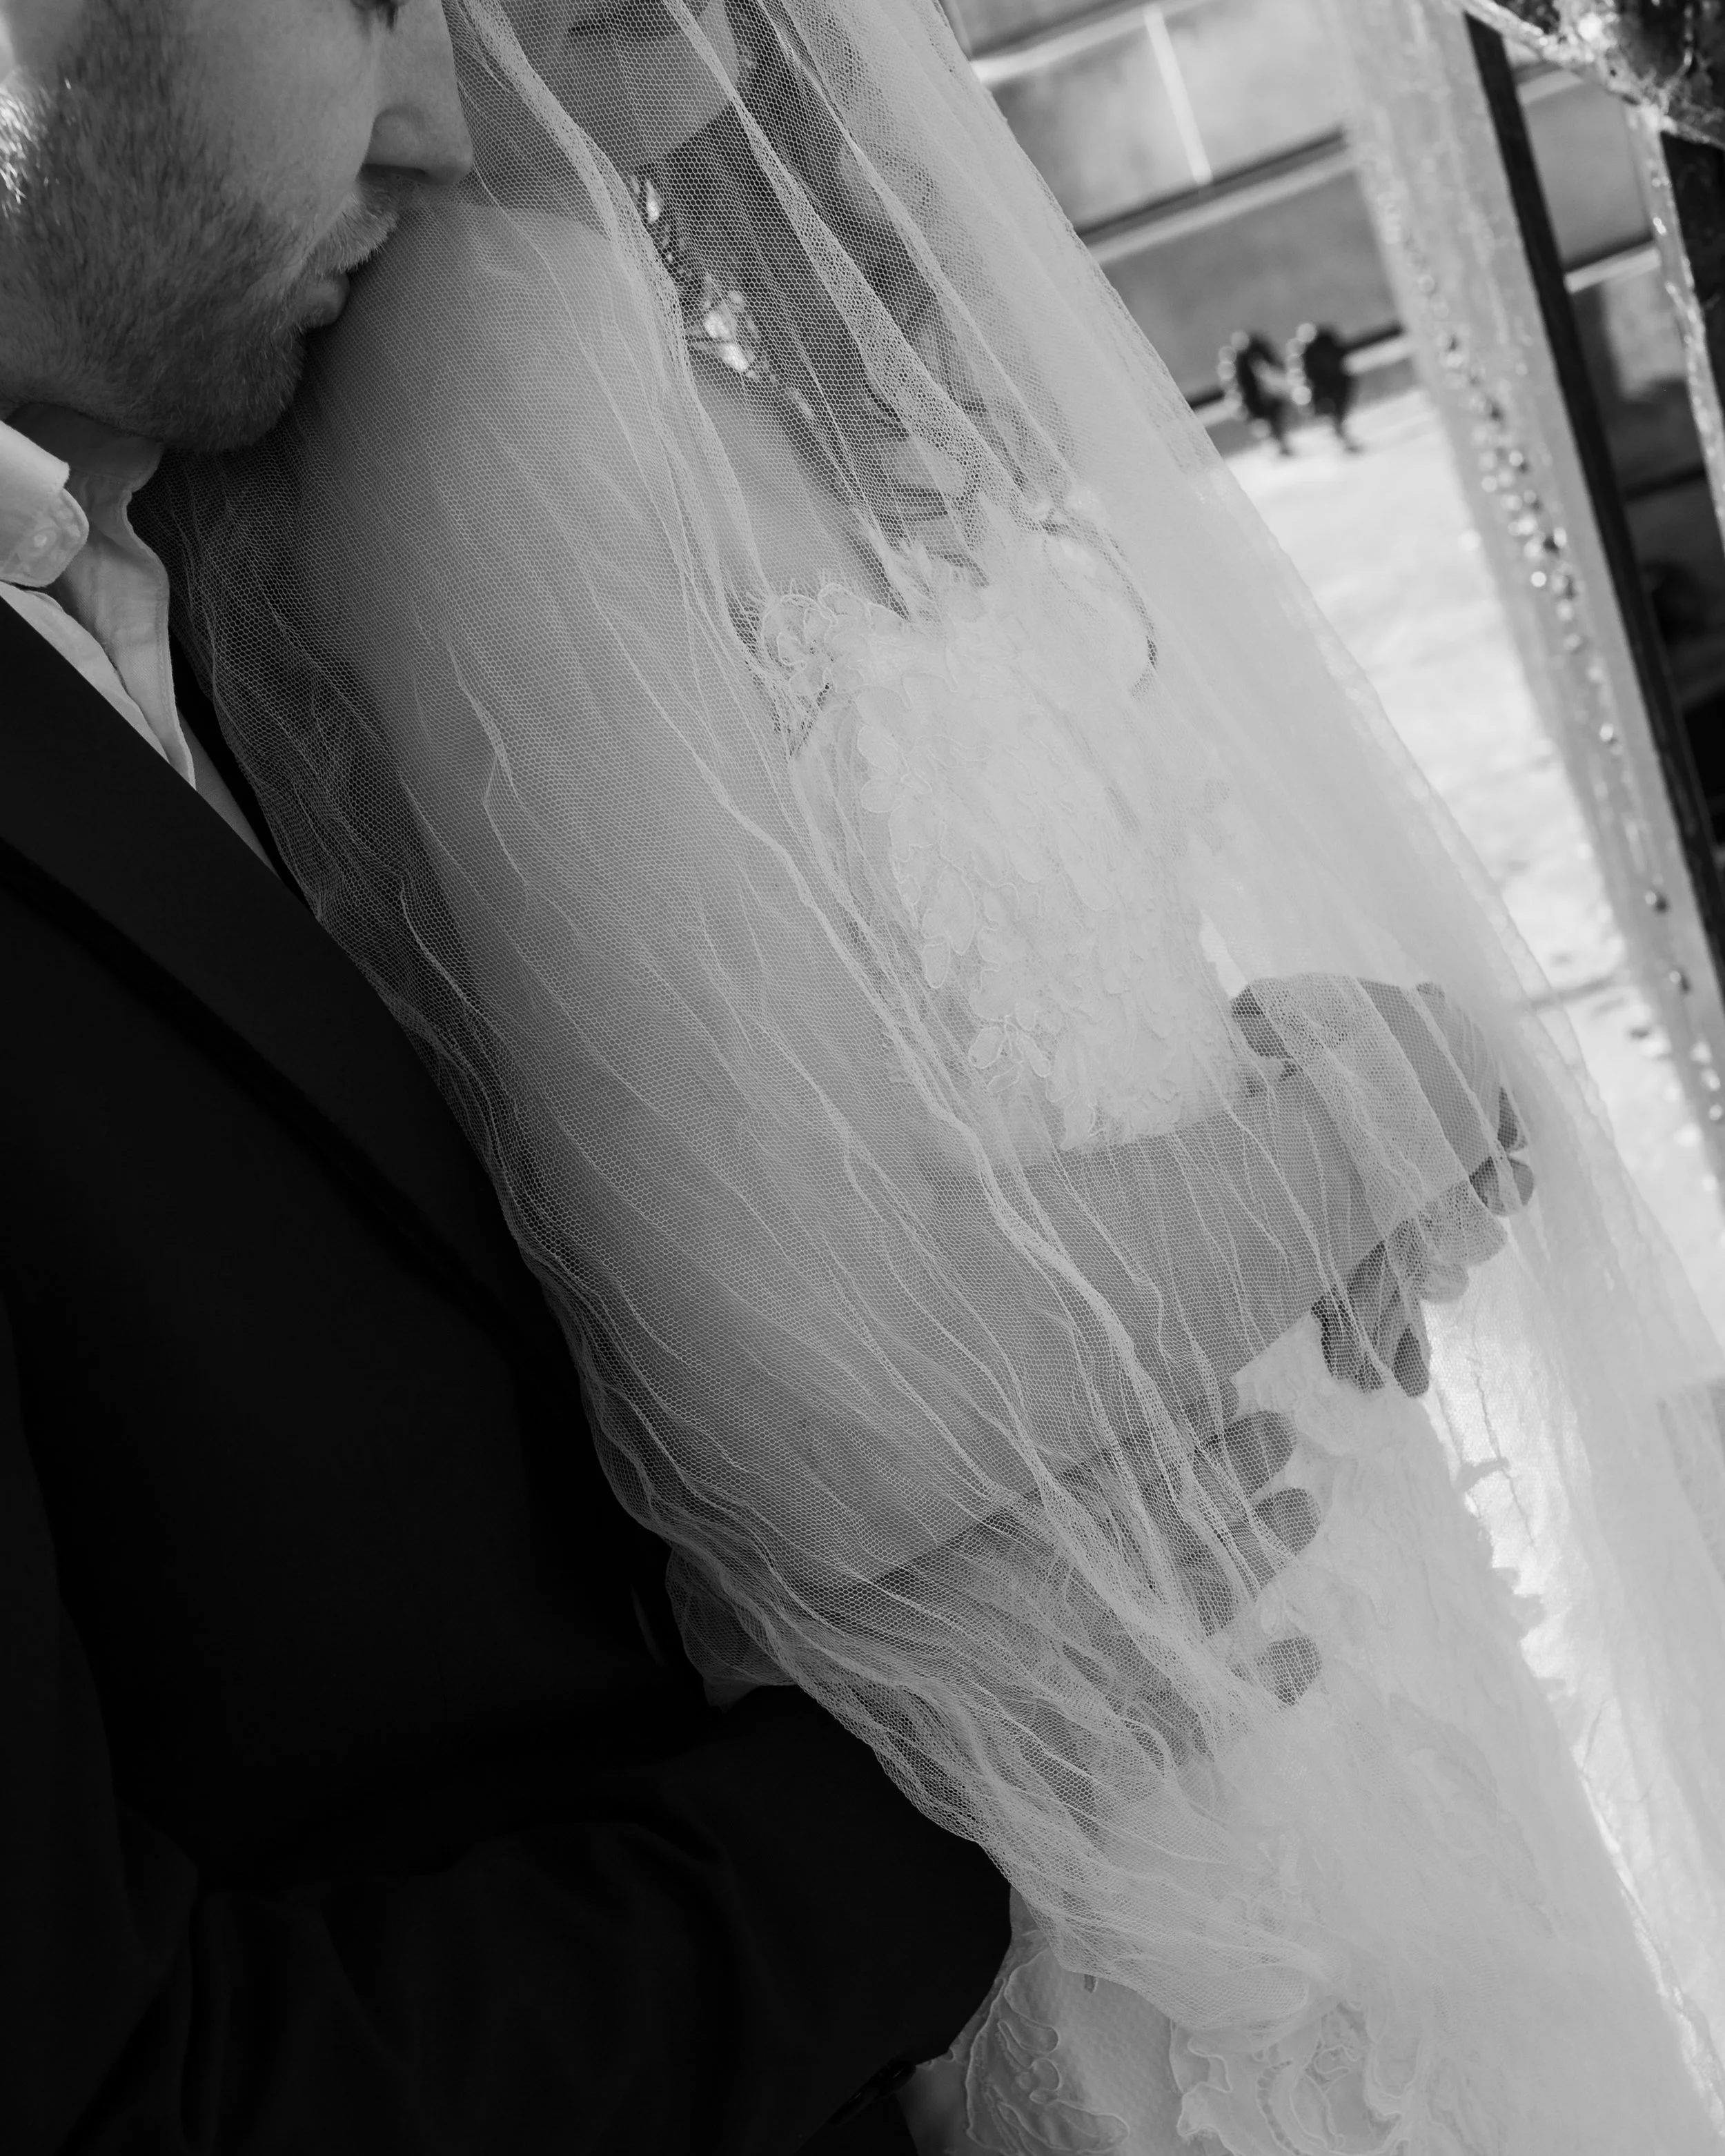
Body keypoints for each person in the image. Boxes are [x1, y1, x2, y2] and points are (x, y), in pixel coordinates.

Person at [151, 1, 1725, 2150]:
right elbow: (838, 1394)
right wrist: (1379, 1113)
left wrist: (1250, 1109)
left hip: (1294, 1672)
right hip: (1150, 1862)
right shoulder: (486, 334)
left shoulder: (649, 326)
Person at [0, 1, 1164, 2148]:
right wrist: (944, 1789)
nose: (449, 104)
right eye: (360, 1)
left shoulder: (155, 553)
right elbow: (100, 2092)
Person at [1286, 322, 1359, 451]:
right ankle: (1341, 438)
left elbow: (1341, 359)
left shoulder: (1322, 346)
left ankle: (1342, 438)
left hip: (1332, 387)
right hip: (1323, 390)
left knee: (1336, 414)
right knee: (1334, 415)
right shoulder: (1305, 352)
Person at [1218, 329, 1292, 455]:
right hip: (1257, 401)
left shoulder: (1254, 358)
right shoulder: (1240, 364)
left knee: (1274, 421)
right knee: (1270, 422)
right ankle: (1280, 447)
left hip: (1266, 399)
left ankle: (1281, 447)